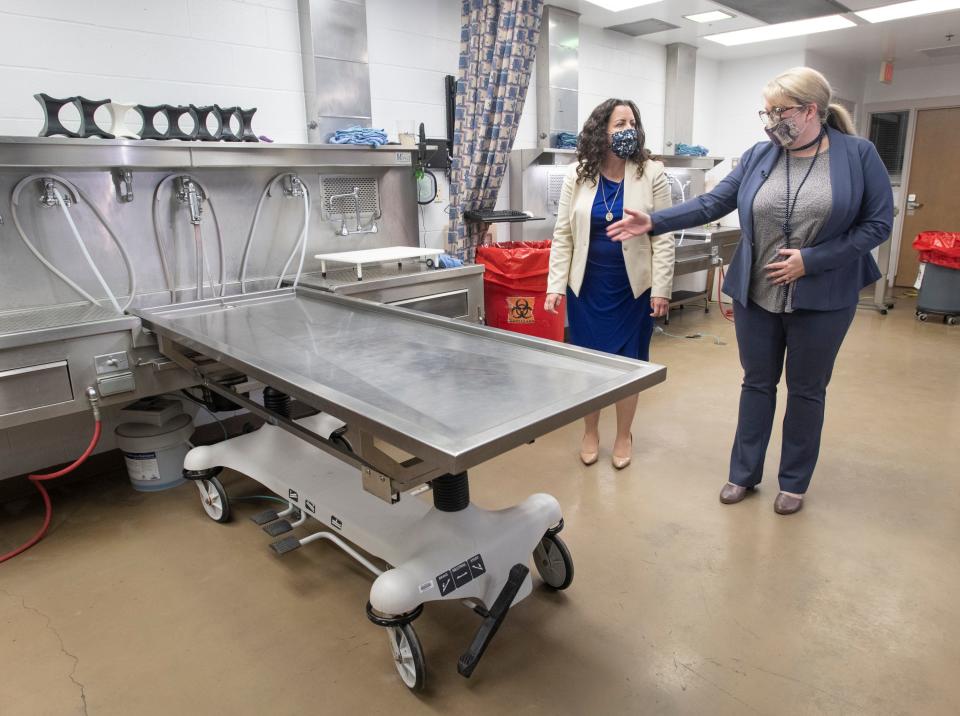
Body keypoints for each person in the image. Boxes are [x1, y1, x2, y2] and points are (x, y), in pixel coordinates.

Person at [606, 67, 894, 514]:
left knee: (806, 389)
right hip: (756, 294)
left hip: (822, 298)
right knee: (756, 384)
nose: (770, 120)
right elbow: (712, 203)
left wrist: (810, 261)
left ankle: (794, 481)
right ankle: (743, 473)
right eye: (766, 110)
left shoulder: (857, 155)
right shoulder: (761, 154)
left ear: (810, 111)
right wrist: (654, 221)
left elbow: (877, 224)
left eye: (779, 111)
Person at [545, 98, 675, 470]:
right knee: (589, 365)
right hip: (586, 286)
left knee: (629, 363)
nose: (626, 131)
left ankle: (623, 434)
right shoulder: (578, 174)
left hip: (633, 288)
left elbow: (663, 235)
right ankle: (590, 431)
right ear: (601, 131)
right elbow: (563, 234)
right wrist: (556, 285)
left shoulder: (651, 173)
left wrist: (663, 287)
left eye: (631, 123)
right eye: (618, 124)